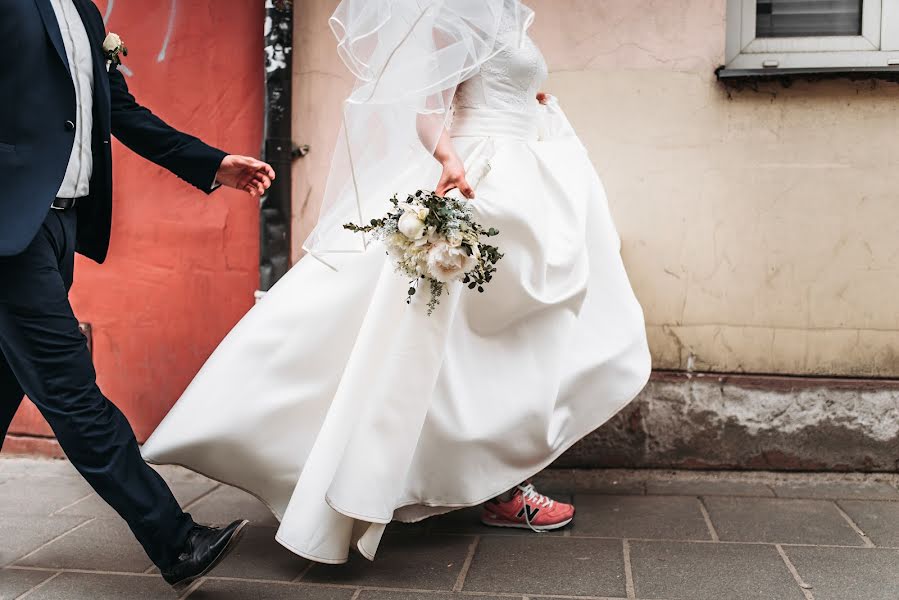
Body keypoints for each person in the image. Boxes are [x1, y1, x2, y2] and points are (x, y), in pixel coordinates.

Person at [143, 0, 651, 564]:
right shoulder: (456, 15)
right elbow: (428, 111)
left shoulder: (509, 14)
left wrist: (536, 108)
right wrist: (449, 159)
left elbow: (500, 87)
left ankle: (496, 482)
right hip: (481, 182)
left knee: (508, 341)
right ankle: (442, 480)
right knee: (448, 340)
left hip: (526, 177)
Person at [0, 0, 275, 590]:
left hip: (58, 225)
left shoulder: (85, 12)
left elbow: (117, 110)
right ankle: (174, 541)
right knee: (71, 390)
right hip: (9, 235)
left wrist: (211, 164)